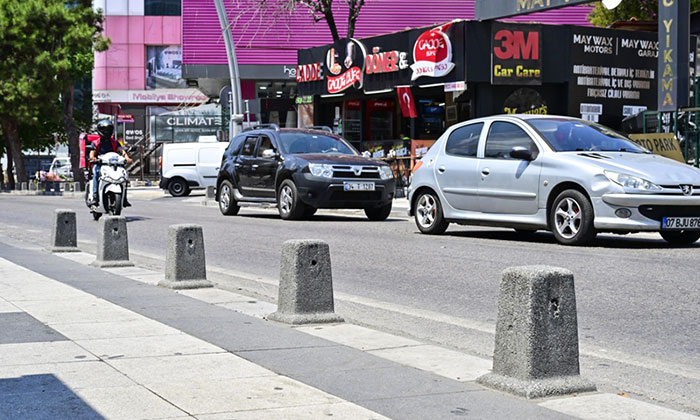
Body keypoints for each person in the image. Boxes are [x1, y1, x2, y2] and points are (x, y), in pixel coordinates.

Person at [88, 119, 132, 206]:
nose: (106, 132)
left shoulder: (115, 142)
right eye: (104, 130)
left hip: (113, 165)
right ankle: (95, 196)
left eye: (108, 130)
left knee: (124, 175)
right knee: (95, 173)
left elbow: (121, 151)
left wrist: (127, 158)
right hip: (100, 165)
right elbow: (92, 153)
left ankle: (124, 198)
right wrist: (93, 158)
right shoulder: (96, 143)